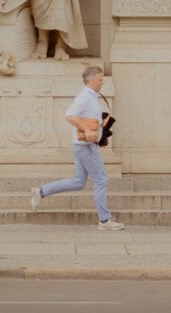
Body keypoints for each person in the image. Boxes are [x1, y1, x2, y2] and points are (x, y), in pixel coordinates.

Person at [30, 65, 123, 229]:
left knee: (79, 181)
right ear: (93, 80)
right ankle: (104, 220)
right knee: (101, 179)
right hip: (85, 147)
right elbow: (70, 115)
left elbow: (84, 118)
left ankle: (41, 192)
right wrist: (86, 129)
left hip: (84, 145)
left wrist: (100, 129)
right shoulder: (85, 97)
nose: (102, 82)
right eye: (101, 79)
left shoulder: (92, 97)